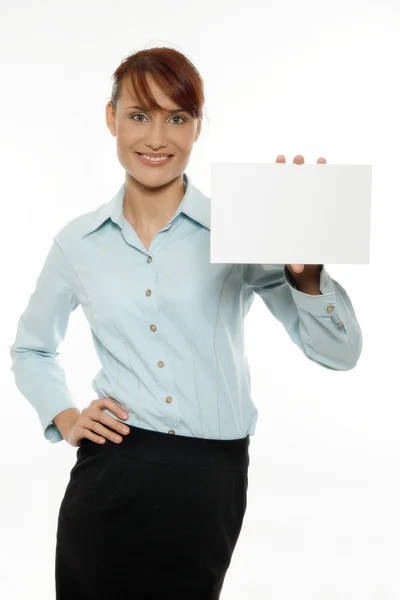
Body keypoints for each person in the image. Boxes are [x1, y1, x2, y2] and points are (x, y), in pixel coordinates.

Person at [9, 46, 363, 600]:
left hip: (210, 478)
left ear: (198, 127)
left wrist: (308, 277)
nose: (157, 137)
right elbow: (32, 349)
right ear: (111, 119)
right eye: (139, 115)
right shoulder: (75, 243)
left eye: (177, 117)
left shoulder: (243, 228)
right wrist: (67, 416)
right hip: (110, 474)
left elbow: (340, 354)